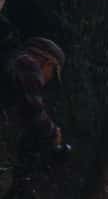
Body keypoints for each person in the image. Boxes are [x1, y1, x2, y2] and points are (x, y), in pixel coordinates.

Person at [2, 37, 65, 168]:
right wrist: (53, 133)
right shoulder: (28, 63)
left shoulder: (14, 60)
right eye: (52, 73)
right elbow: (33, 109)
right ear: (48, 63)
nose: (49, 79)